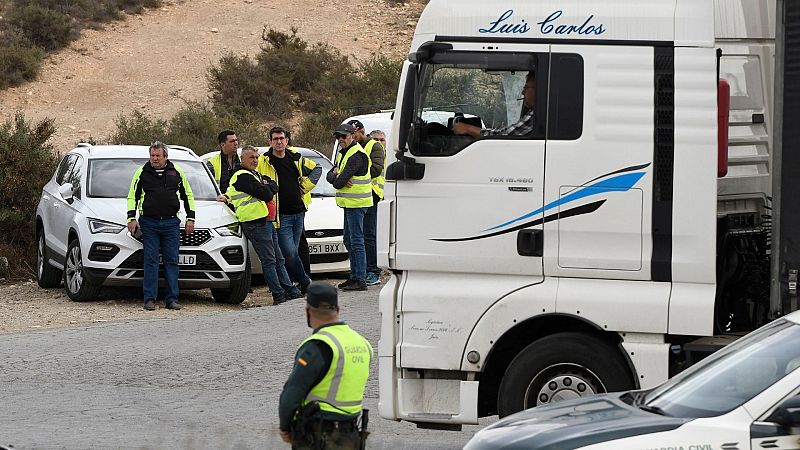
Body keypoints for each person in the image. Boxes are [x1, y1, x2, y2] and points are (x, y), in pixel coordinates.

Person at [278, 282, 372, 449]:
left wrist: (285, 427)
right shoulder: (362, 343)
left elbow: (292, 393)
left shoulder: (318, 345)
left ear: (308, 311)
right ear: (338, 309)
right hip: (351, 435)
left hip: (319, 435)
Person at [218, 146, 302, 304]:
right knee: (269, 260)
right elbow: (267, 193)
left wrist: (267, 185)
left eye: (256, 157)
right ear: (242, 159)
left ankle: (289, 290)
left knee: (278, 259)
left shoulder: (253, 174)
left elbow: (274, 185)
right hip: (254, 223)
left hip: (266, 221)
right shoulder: (241, 176)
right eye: (251, 158)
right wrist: (267, 187)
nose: (255, 161)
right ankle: (279, 294)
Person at [126, 141, 195, 311]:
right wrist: (131, 218)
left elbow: (188, 195)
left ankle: (172, 299)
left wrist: (191, 218)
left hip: (171, 223)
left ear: (165, 156)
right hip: (149, 223)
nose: (154, 158)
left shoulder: (176, 171)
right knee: (151, 260)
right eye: (152, 155)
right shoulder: (141, 172)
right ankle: (149, 299)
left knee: (172, 261)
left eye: (158, 155)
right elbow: (132, 196)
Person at [257, 126, 321, 294]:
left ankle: (300, 283)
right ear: (270, 142)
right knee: (290, 253)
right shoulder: (264, 161)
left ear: (287, 140)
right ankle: (305, 281)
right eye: (275, 139)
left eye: (281, 138)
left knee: (295, 251)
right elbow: (249, 177)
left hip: (298, 212)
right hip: (281, 215)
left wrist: (304, 187)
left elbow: (317, 168)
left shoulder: (296, 157)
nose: (279, 142)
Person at [327, 124, 372, 291]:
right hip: (349, 204)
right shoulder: (343, 153)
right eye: (338, 136)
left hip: (357, 204)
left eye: (343, 136)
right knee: (349, 240)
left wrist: (338, 177)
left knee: (356, 241)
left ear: (352, 136)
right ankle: (355, 276)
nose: (340, 140)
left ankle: (360, 278)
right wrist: (337, 176)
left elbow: (337, 182)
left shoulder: (356, 155)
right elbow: (329, 175)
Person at [346, 119, 385, 286]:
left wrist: (352, 172)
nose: (353, 136)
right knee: (353, 238)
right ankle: (358, 271)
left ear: (362, 131)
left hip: (372, 194)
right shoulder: (350, 147)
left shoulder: (374, 146)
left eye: (355, 133)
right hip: (355, 197)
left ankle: (373, 271)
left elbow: (376, 169)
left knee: (368, 235)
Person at [453, 71, 536, 138]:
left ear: (538, 90)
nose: (523, 92)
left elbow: (505, 137)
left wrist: (468, 128)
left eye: (526, 87)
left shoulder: (537, 115)